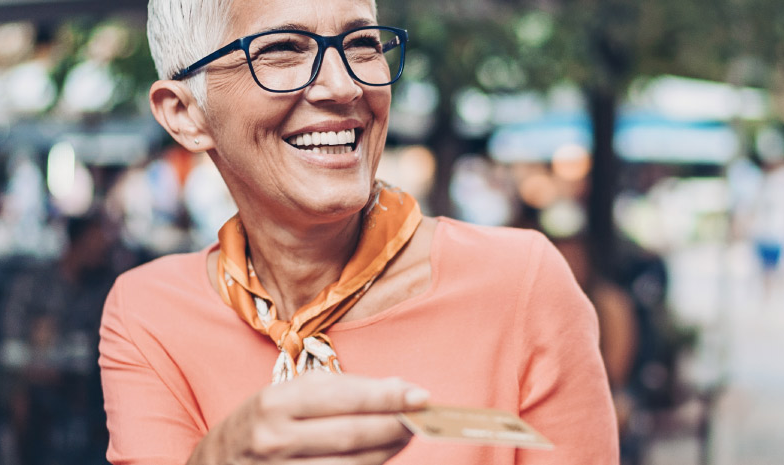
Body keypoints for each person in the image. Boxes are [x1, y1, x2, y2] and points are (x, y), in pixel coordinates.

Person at [99, 1, 619, 464]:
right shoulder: (149, 314)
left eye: (362, 43)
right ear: (185, 113)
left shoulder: (520, 285)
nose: (345, 85)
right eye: (282, 48)